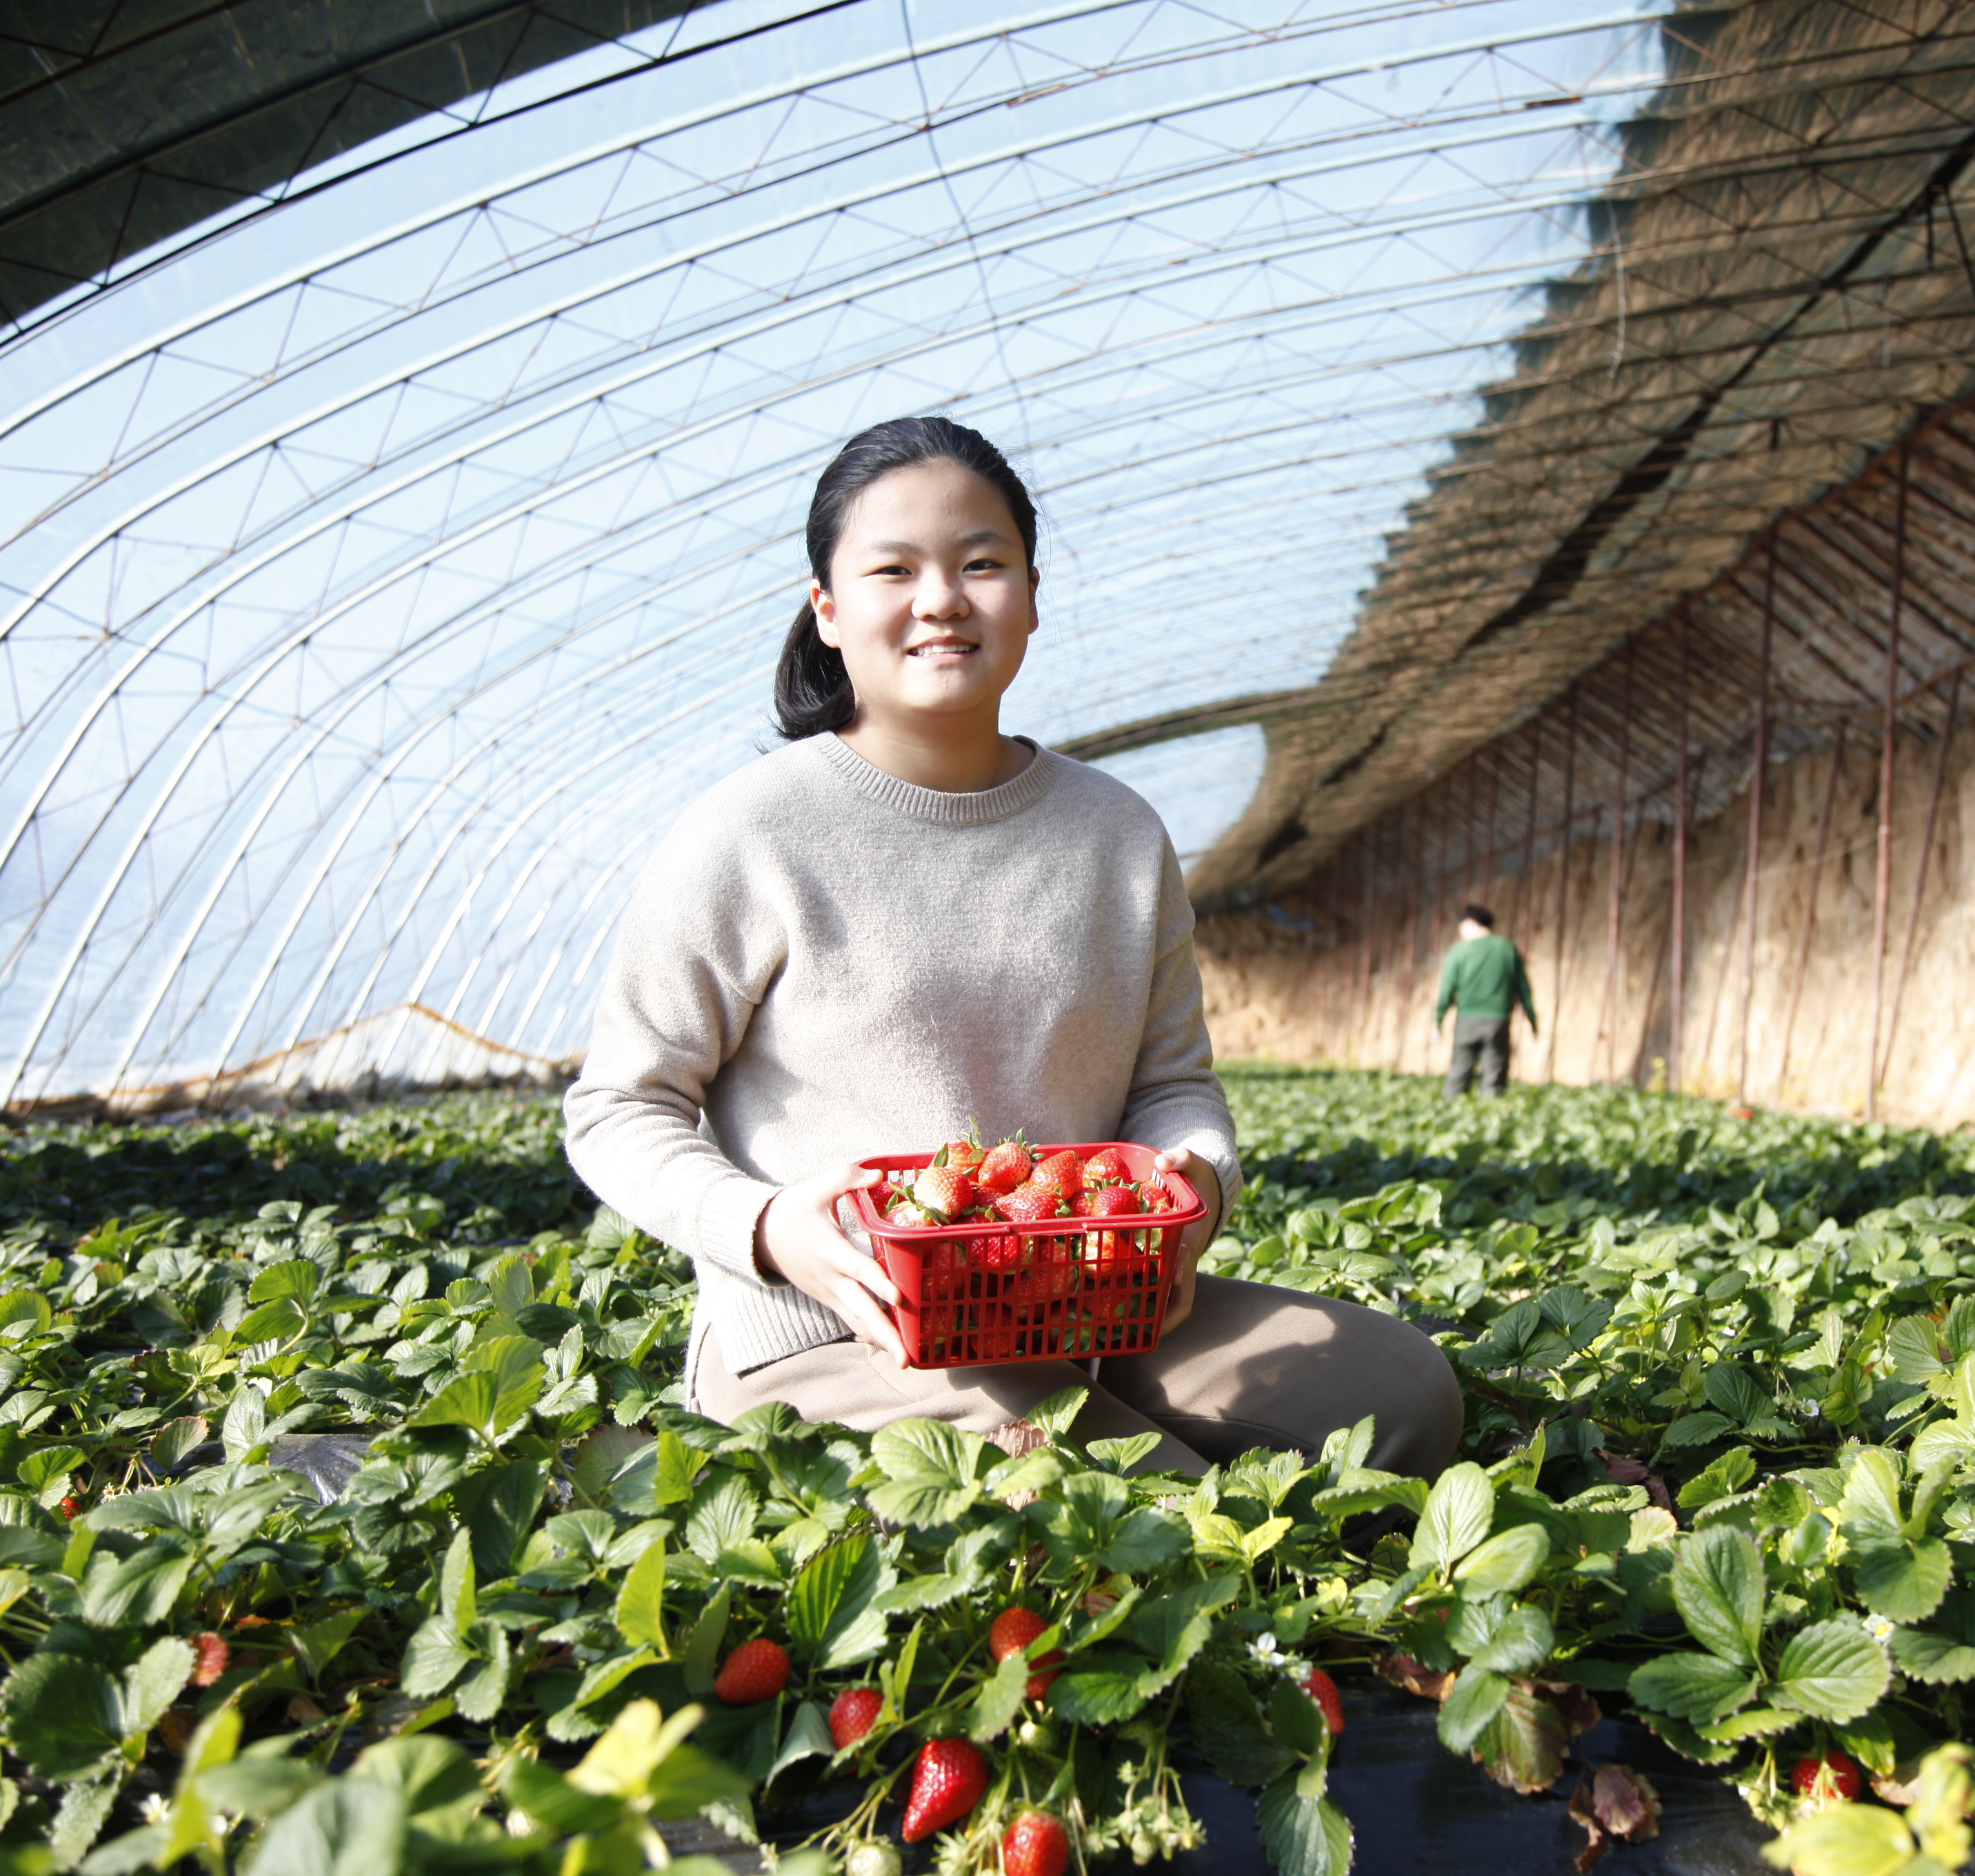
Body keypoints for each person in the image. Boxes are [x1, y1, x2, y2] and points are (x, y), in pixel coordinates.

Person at [563, 417, 1459, 1479]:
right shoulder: (751, 831)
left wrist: (1197, 1195)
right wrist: (768, 1229)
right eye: (894, 569)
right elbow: (618, 1105)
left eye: (981, 564)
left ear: (1031, 595)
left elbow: (1174, 1087)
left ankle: (1128, 1440)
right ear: (829, 610)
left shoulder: (1115, 833)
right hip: (840, 1321)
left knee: (1404, 1397)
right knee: (1138, 1501)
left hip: (1083, 1301)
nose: (941, 599)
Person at [1434, 904, 1537, 1096]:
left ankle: (1451, 1116)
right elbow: (1524, 988)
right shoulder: (1507, 948)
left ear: (1471, 924)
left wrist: (1438, 1020)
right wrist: (1532, 1020)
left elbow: (1447, 989)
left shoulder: (1460, 951)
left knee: (1459, 1074)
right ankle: (1491, 1118)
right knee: (1494, 1075)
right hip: (1498, 1021)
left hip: (1468, 1020)